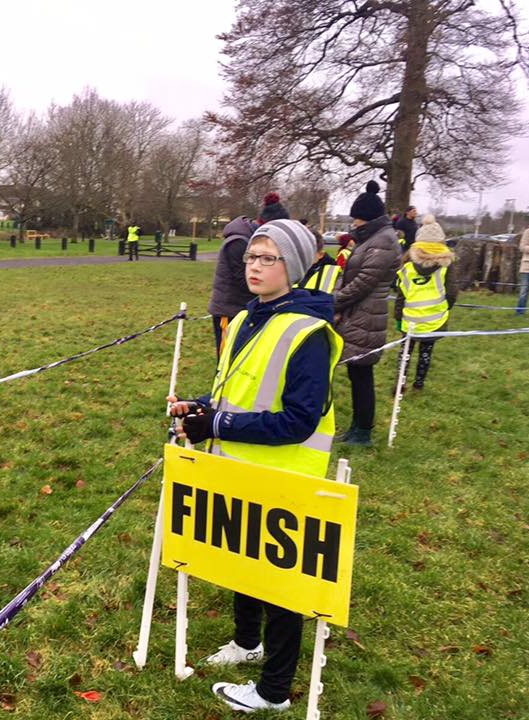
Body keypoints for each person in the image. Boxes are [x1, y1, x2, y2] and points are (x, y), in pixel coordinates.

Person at [167, 219, 342, 714]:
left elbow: (299, 420)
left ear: (296, 268)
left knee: (280, 584)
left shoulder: (310, 332)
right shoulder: (244, 319)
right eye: (251, 257)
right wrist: (198, 406)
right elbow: (233, 392)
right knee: (240, 565)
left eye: (269, 258)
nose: (256, 266)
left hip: (286, 475)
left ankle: (273, 690)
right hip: (237, 467)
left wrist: (215, 424)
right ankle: (247, 642)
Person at [333, 181, 400, 447]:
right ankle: (356, 428)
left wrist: (334, 302)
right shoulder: (373, 239)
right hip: (358, 315)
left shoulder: (383, 241)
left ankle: (363, 432)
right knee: (356, 373)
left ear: (368, 218)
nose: (354, 224)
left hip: (367, 316)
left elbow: (363, 282)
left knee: (362, 374)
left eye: (357, 219)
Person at [393, 215, 457, 391]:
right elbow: (452, 292)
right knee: (426, 352)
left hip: (410, 318)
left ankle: (401, 382)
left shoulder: (407, 264)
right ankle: (419, 383)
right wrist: (445, 308)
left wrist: (398, 317)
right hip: (434, 318)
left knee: (405, 351)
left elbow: (401, 294)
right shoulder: (446, 265)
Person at [207, 216, 256, 356]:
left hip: (239, 307)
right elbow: (242, 278)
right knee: (226, 356)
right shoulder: (238, 243)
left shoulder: (247, 241)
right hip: (228, 309)